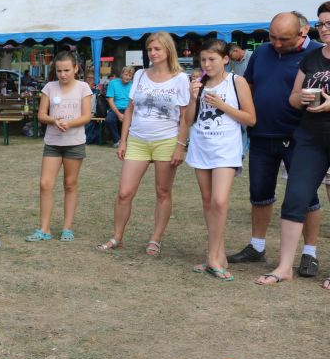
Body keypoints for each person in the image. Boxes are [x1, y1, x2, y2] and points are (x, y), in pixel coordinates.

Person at [229, 12, 322, 277]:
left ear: (302, 33)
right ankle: (257, 246)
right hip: (262, 134)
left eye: (284, 39)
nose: (277, 44)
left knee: (306, 197)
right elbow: (249, 85)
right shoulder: (262, 52)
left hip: (301, 137)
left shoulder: (317, 54)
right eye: (272, 37)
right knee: (260, 193)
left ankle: (309, 253)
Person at [98, 31, 190, 255]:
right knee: (124, 192)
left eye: (157, 49)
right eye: (149, 49)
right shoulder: (140, 75)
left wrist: (180, 145)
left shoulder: (180, 78)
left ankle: (155, 239)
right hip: (138, 140)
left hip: (166, 140)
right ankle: (117, 237)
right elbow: (130, 109)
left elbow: (185, 116)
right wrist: (123, 140)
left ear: (168, 50)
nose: (153, 53)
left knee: (162, 192)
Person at [257, 4, 330, 286]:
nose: (324, 28)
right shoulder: (312, 57)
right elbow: (293, 96)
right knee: (295, 198)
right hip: (310, 137)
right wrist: (302, 99)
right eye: (321, 23)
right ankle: (284, 267)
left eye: (329, 24)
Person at [184, 39, 257, 281]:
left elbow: (250, 119)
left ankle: (212, 256)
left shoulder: (237, 82)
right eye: (203, 59)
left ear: (225, 59)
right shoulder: (198, 83)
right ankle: (219, 255)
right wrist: (193, 98)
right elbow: (188, 121)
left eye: (212, 59)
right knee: (208, 202)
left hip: (226, 149)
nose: (207, 64)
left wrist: (222, 105)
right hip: (201, 147)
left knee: (219, 201)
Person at [28, 51, 93, 242]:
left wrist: (69, 123)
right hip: (53, 143)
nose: (63, 74)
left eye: (66, 70)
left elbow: (87, 116)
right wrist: (54, 120)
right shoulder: (49, 87)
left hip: (74, 143)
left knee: (70, 184)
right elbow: (41, 115)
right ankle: (44, 229)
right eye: (59, 71)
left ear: (75, 68)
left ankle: (67, 228)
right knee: (45, 184)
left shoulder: (83, 88)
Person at [105, 67, 134, 146]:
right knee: (109, 120)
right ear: (121, 74)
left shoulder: (133, 84)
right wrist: (119, 114)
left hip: (129, 109)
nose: (127, 77)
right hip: (116, 108)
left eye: (130, 75)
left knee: (136, 121)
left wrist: (128, 113)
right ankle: (117, 141)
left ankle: (128, 141)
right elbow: (110, 100)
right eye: (126, 75)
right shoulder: (113, 83)